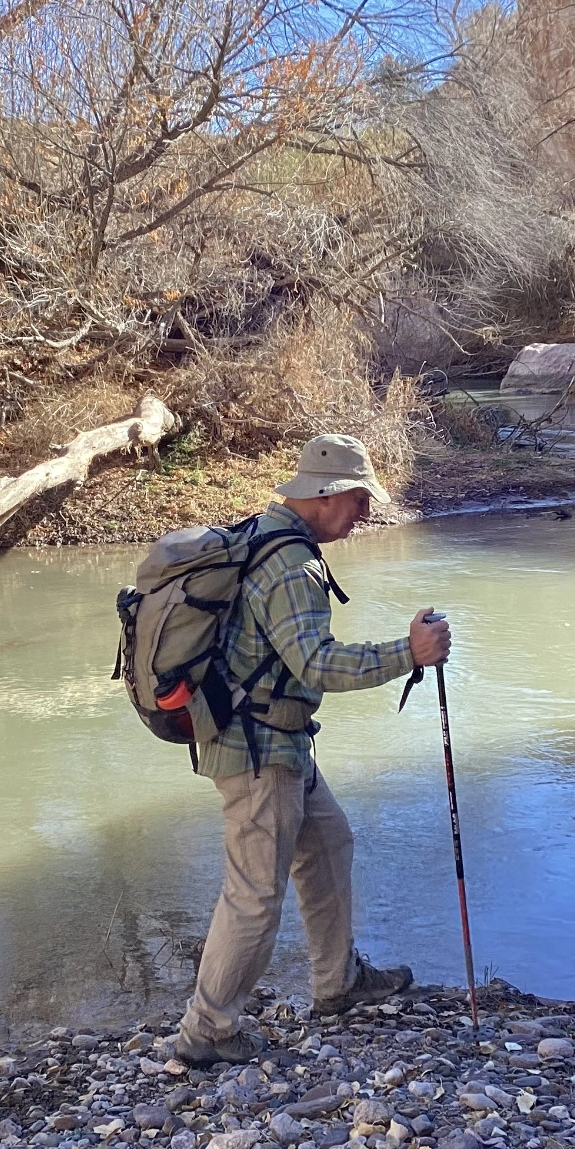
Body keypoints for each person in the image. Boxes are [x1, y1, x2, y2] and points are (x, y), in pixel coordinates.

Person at [172, 433, 453, 1065]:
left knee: (327, 845)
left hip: (276, 738)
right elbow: (315, 664)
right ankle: (205, 1033)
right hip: (259, 750)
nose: (364, 516)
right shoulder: (292, 566)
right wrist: (408, 653)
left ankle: (339, 985)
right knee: (253, 895)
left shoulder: (266, 534)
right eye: (359, 502)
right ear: (328, 496)